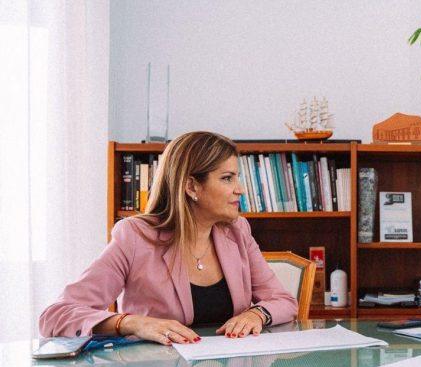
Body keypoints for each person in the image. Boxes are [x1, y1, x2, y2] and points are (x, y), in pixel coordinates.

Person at [39, 131, 297, 344]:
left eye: (237, 177)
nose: (240, 189)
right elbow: (56, 315)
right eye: (227, 178)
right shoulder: (135, 236)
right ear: (191, 186)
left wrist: (258, 314)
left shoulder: (237, 231)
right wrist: (130, 323)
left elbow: (283, 301)